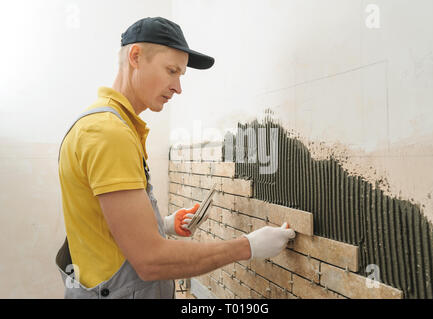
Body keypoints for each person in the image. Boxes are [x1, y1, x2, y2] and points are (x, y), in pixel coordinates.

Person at [55, 16, 295, 299]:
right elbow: (150, 260)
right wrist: (249, 246)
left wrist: (164, 225)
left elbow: (99, 223)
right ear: (135, 56)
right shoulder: (109, 133)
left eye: (180, 75)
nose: (178, 87)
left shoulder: (105, 123)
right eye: (171, 71)